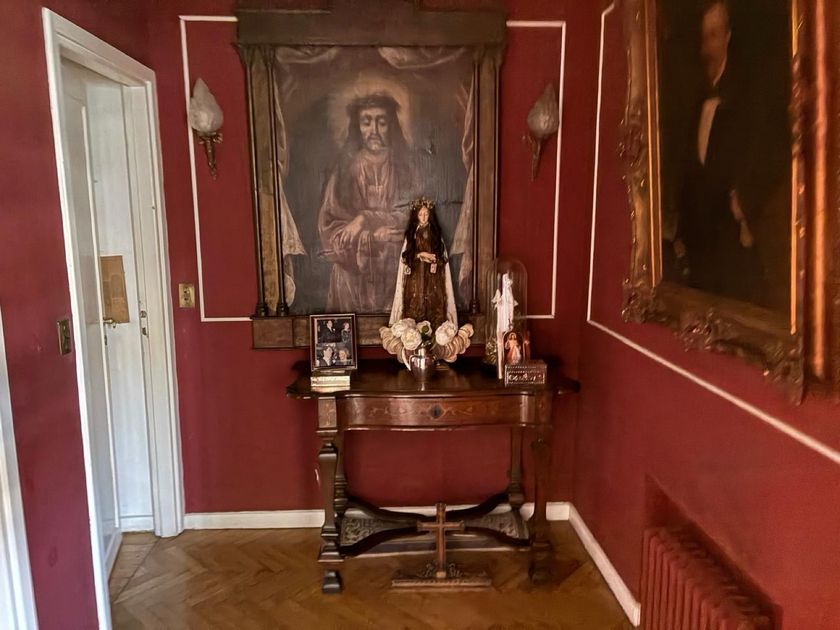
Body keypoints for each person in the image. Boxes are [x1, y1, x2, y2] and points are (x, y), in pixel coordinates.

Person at [674, 0, 766, 304]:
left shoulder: (745, 96)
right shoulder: (698, 98)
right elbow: (689, 167)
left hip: (730, 231)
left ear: (727, 37)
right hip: (699, 234)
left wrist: (744, 204)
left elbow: (759, 157)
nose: (707, 47)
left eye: (713, 36)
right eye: (704, 37)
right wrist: (681, 230)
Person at [318, 93, 417, 313]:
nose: (374, 130)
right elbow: (330, 226)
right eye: (366, 122)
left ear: (391, 126)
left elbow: (412, 217)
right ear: (358, 127)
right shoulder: (344, 171)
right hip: (351, 279)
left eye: (381, 122)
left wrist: (365, 219)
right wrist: (370, 237)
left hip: (395, 274)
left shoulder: (406, 169)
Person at [389, 198, 457, 331]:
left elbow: (442, 256)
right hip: (415, 275)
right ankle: (416, 330)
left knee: (433, 300)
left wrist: (433, 258)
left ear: (430, 215)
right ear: (416, 216)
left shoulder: (435, 234)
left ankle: (432, 331)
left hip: (433, 276)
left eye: (426, 214)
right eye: (421, 214)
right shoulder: (412, 234)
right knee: (415, 301)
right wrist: (421, 255)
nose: (424, 217)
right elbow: (406, 256)